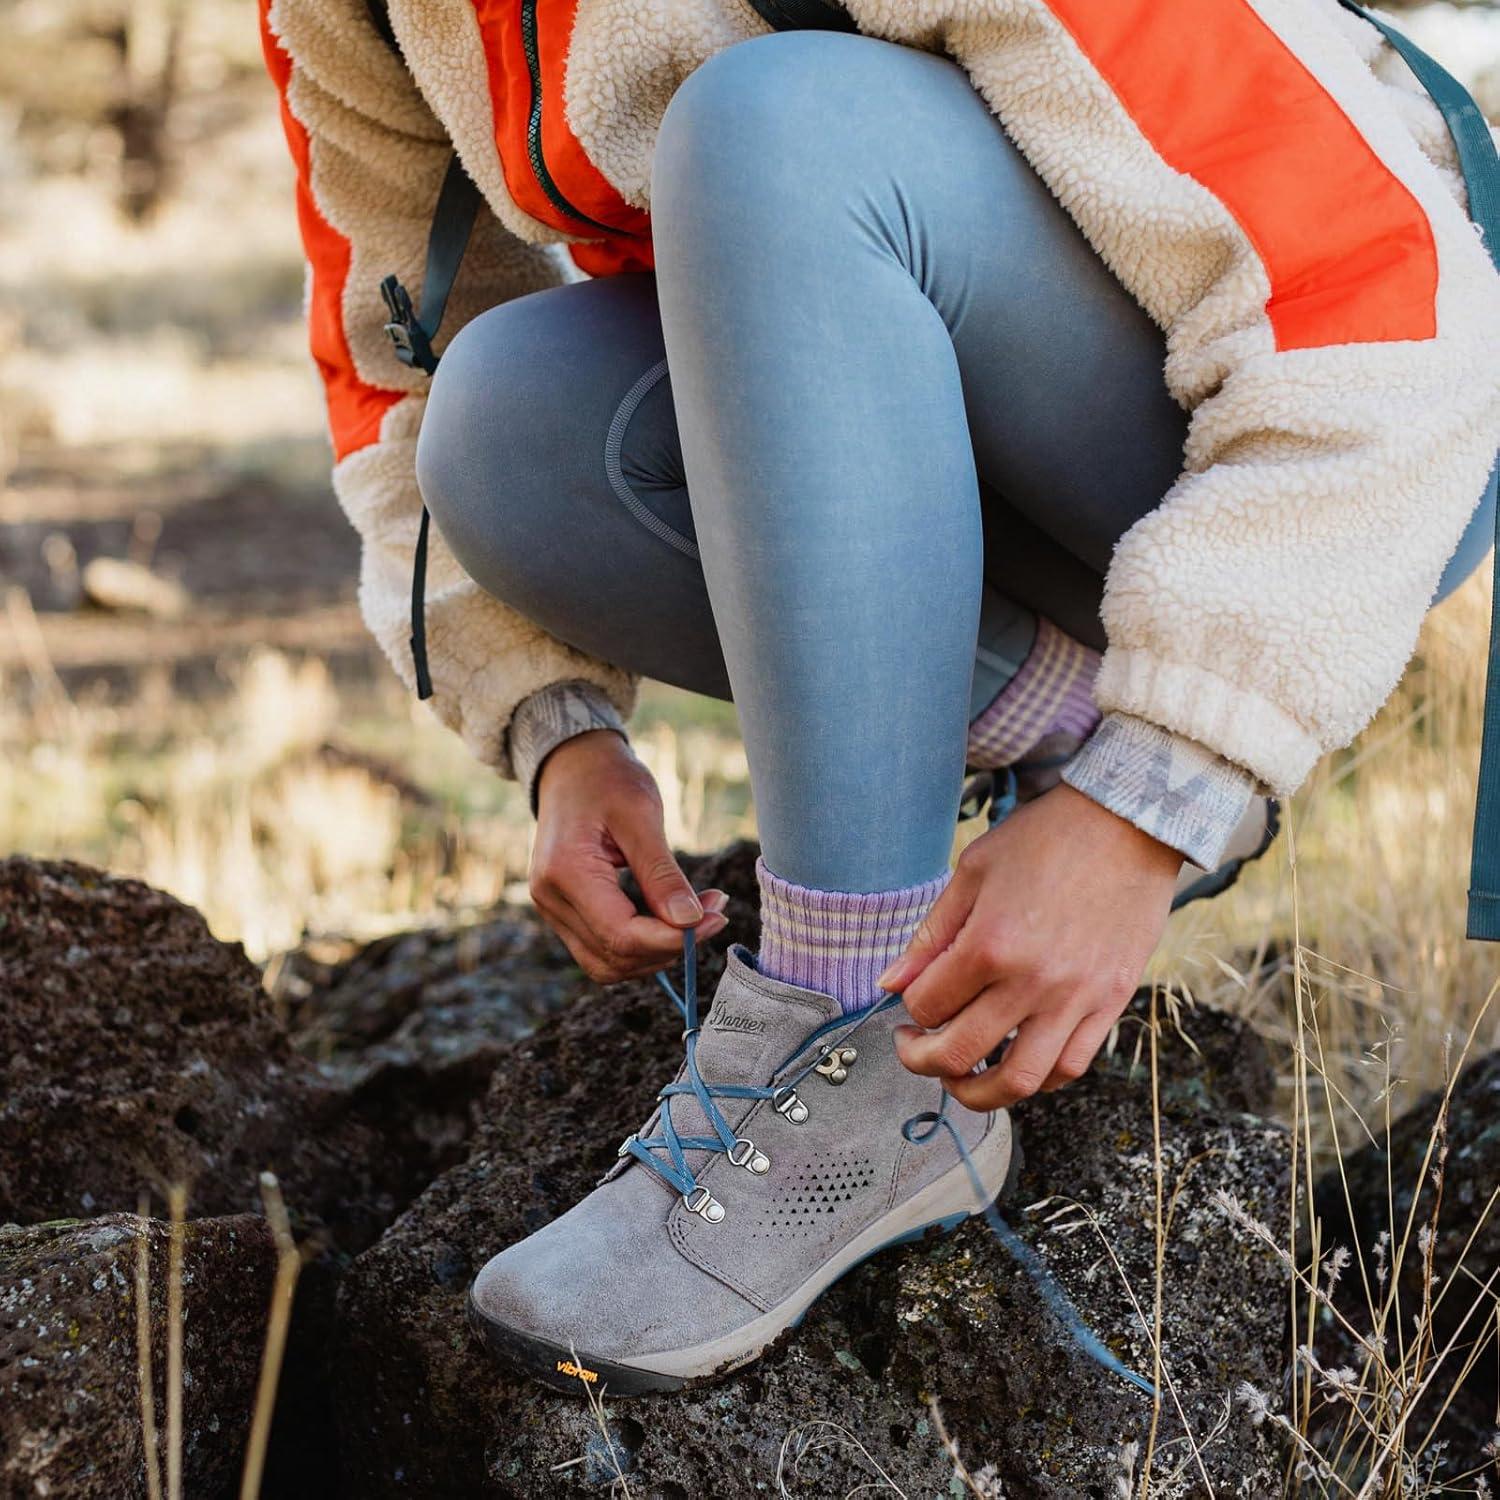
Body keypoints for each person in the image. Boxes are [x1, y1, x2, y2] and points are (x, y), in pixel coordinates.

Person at [261, 0, 1500, 1393]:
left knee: (774, 123)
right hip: (931, 399)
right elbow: (396, 361)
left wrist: (1151, 806)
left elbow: (1382, 304)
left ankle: (849, 1038)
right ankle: (1054, 709)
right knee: (503, 423)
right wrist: (558, 729)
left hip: (1331, 410)